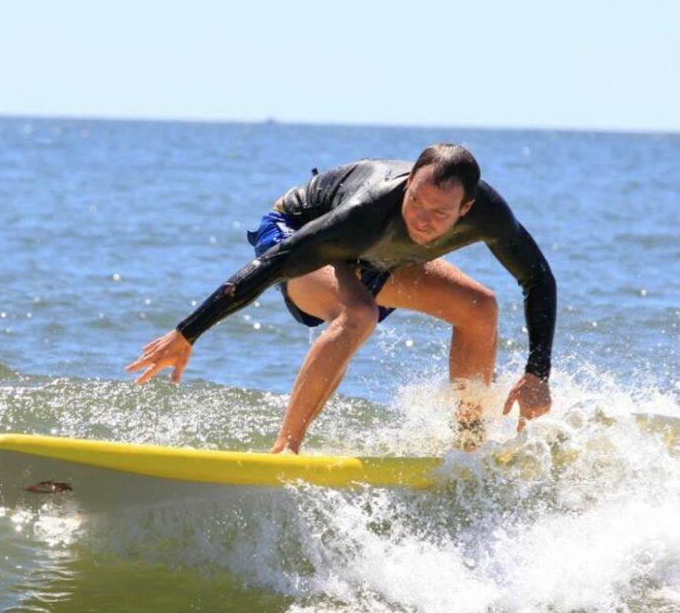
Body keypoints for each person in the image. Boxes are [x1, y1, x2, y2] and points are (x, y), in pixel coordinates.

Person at [126, 144, 557, 453]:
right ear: (408, 183)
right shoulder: (364, 212)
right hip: (297, 234)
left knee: (479, 307)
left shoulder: (491, 216)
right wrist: (188, 333)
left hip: (379, 257)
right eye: (416, 203)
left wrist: (537, 373)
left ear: (466, 210)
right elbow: (272, 266)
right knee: (358, 314)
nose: (422, 220)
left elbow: (538, 278)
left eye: (439, 213)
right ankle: (285, 451)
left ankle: (468, 449)